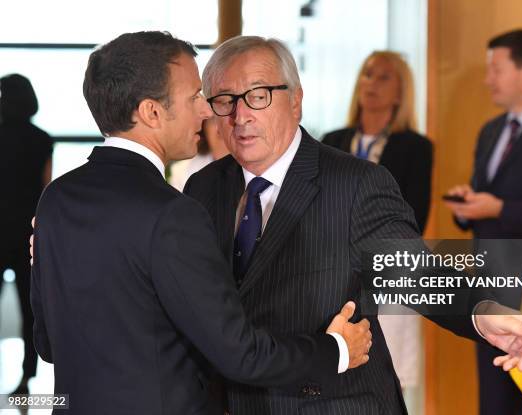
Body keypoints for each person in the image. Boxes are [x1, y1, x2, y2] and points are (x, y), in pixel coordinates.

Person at [184, 35, 522, 414]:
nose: (241, 115)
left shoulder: (355, 184)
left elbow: (416, 272)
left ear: (296, 100)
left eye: (258, 95)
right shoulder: (203, 187)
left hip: (334, 404)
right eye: (224, 101)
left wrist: (482, 315)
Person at [30, 31, 372, 415]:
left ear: (296, 101)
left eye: (257, 97)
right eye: (195, 96)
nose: (208, 111)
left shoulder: (56, 200)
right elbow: (238, 353)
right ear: (152, 113)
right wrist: (336, 350)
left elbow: (48, 344)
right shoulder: (174, 211)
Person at [444, 29, 522, 415]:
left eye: (496, 69)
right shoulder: (491, 131)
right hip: (490, 289)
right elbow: (484, 196)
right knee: (494, 401)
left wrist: (500, 208)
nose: (488, 79)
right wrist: (467, 206)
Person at [322, 51, 432, 232]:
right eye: (368, 74)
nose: (372, 83)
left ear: (400, 94)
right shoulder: (330, 141)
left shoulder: (417, 148)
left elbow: (415, 218)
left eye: (384, 78)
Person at [0, 73, 53, 394]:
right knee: (29, 309)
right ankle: (25, 379)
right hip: (26, 234)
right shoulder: (41, 139)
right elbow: (47, 188)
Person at [169, 118, 228, 190]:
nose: (219, 129)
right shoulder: (182, 173)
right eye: (213, 120)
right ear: (203, 128)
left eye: (226, 119)